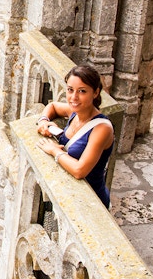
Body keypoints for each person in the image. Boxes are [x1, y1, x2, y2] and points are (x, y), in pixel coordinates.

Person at [36, 64, 114, 208]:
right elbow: (52, 107)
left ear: (95, 93)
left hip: (93, 201)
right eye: (70, 90)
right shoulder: (75, 112)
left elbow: (80, 170)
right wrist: (43, 121)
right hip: (71, 195)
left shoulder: (102, 129)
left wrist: (55, 150)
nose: (74, 97)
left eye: (82, 91)